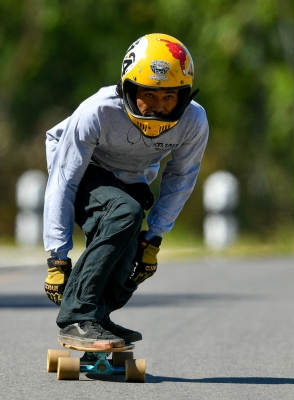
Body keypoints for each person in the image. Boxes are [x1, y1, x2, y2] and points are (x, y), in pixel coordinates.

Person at [43, 33, 209, 348]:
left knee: (128, 262)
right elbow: (64, 180)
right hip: (84, 170)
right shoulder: (98, 112)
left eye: (170, 97)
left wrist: (154, 237)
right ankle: (77, 318)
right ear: (128, 90)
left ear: (183, 95)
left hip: (131, 178)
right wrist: (57, 258)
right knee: (124, 213)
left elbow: (181, 177)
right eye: (149, 94)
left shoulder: (193, 121)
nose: (159, 107)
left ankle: (98, 317)